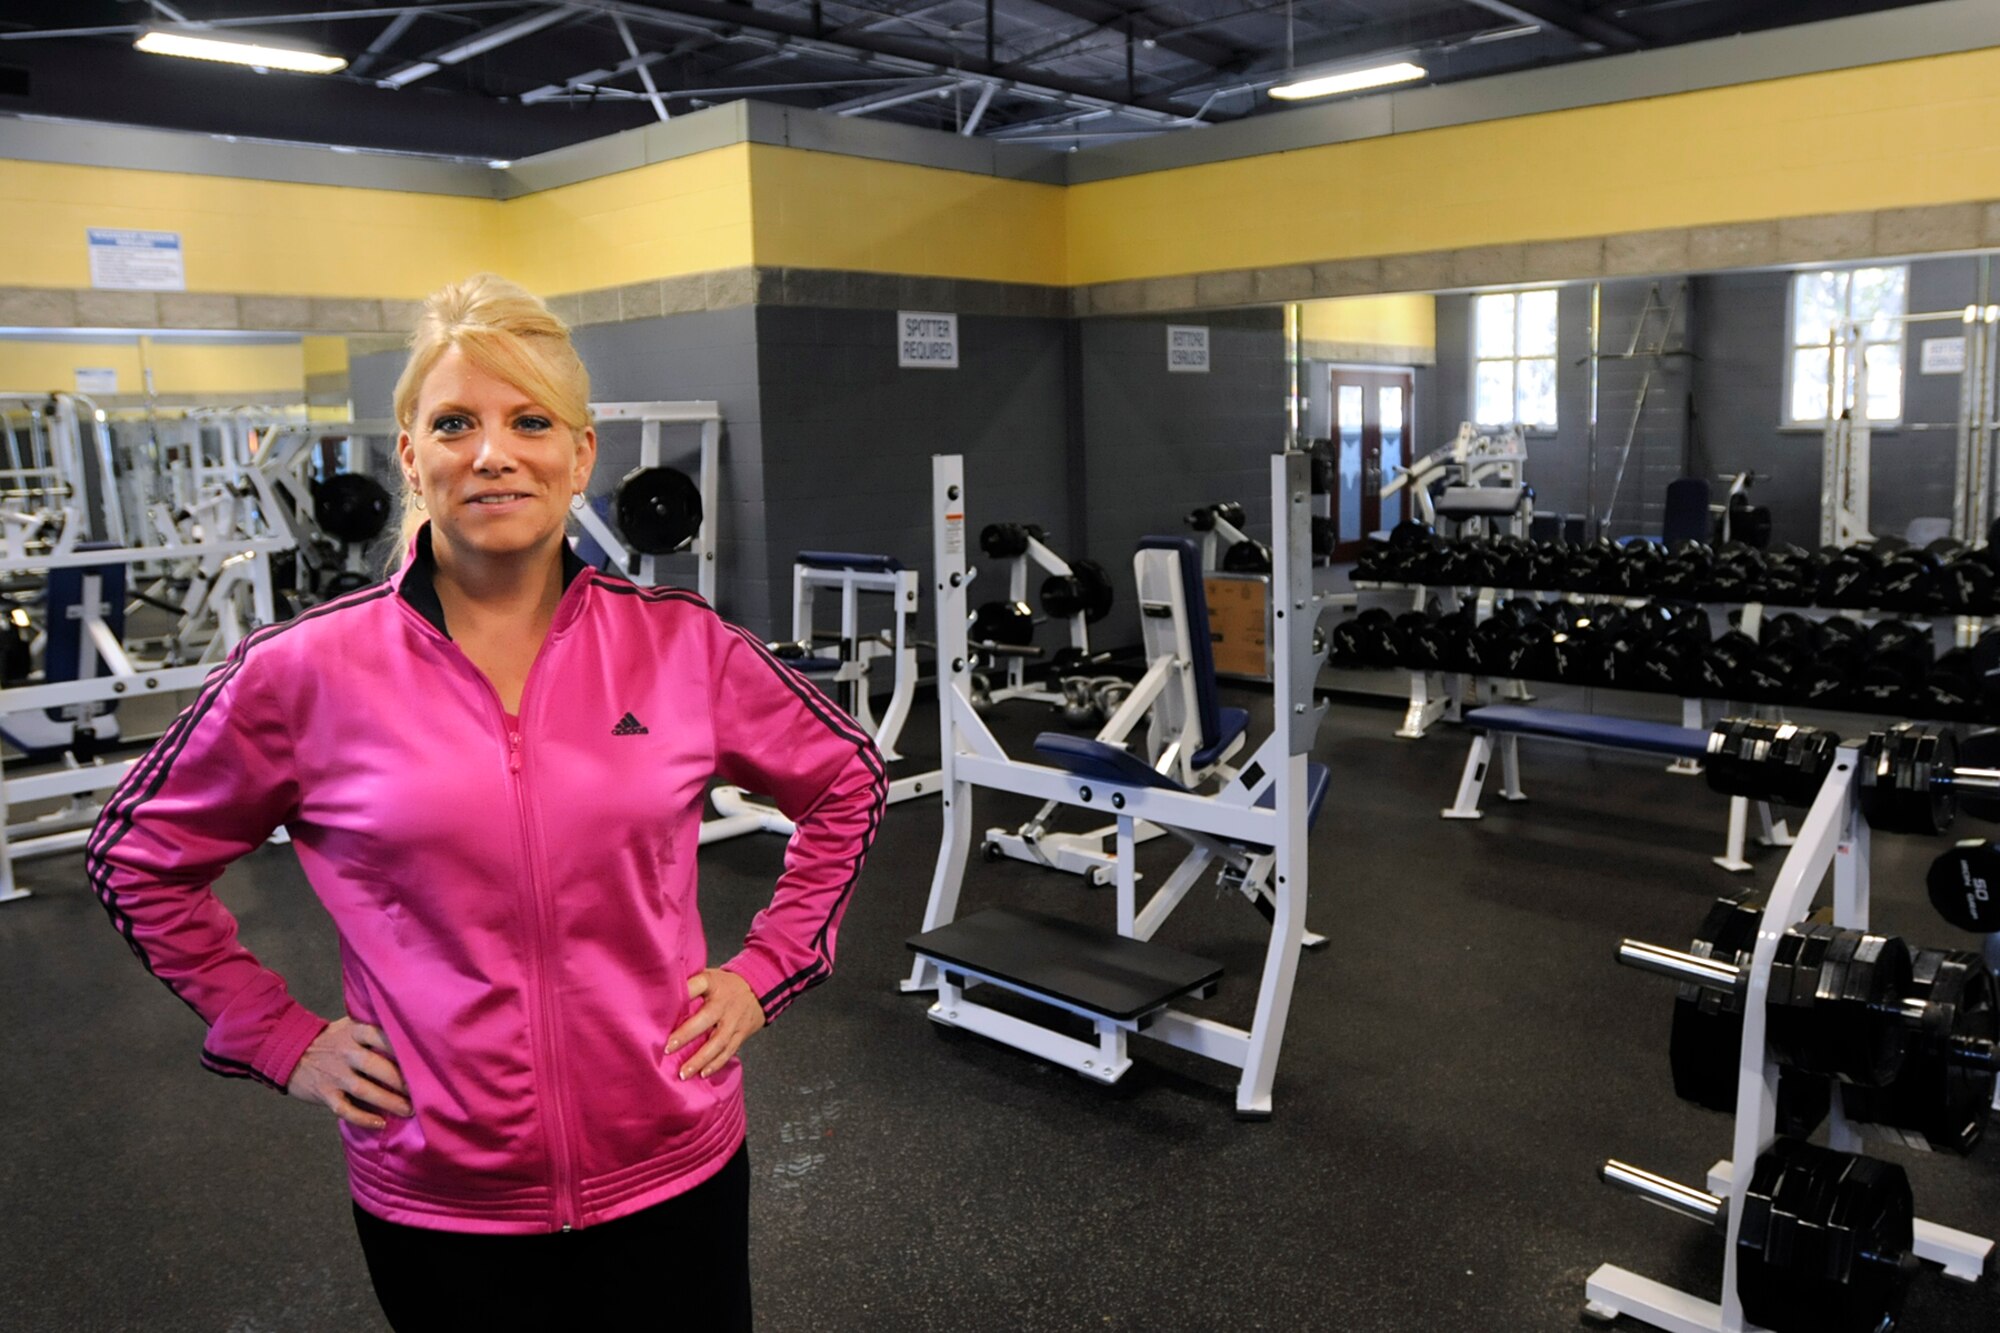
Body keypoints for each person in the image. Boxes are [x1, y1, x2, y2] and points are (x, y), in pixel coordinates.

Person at [85, 274, 886, 1331]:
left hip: (672, 1168)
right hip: (438, 1196)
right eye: (454, 422)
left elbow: (845, 778)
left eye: (529, 421)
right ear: (410, 457)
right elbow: (135, 857)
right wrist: (276, 1033)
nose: (492, 452)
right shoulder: (299, 674)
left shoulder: (681, 646)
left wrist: (767, 967)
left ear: (580, 453)